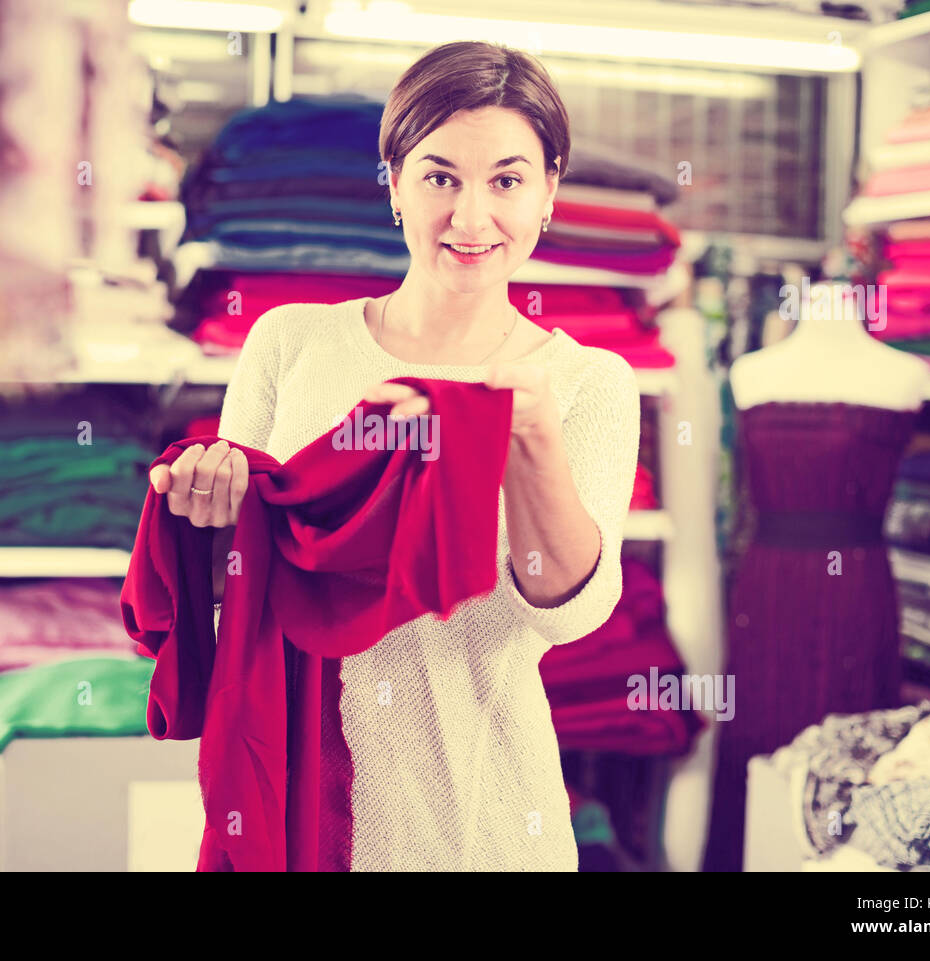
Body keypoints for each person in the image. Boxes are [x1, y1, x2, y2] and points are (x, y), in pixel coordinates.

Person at [149, 40, 640, 871]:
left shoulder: (586, 382)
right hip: (298, 812)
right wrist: (199, 516)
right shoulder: (289, 342)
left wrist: (531, 436)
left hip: (482, 820)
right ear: (395, 184)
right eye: (440, 176)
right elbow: (237, 598)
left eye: (507, 180)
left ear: (549, 191)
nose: (472, 217)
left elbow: (568, 614)